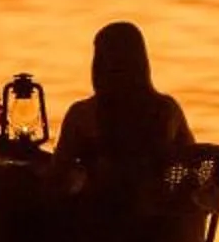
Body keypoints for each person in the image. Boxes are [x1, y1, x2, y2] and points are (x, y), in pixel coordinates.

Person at [50, 21, 195, 205]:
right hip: (163, 226)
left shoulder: (83, 114)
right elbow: (192, 162)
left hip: (96, 224)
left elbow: (57, 177)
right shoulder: (167, 110)